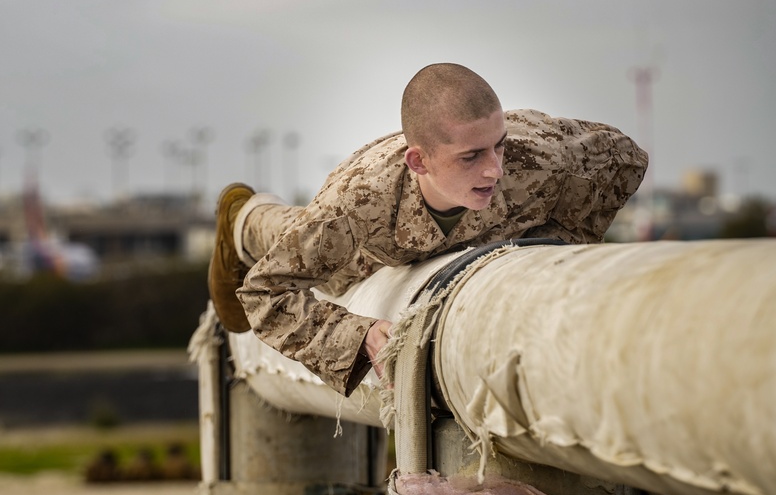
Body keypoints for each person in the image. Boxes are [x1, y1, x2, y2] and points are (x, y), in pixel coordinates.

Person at [208, 63, 648, 397]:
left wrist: (555, 251)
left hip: (465, 226)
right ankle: (243, 215)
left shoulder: (543, 157)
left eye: (499, 145)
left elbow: (627, 160)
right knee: (328, 264)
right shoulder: (356, 204)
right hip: (378, 238)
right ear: (419, 161)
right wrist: (357, 334)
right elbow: (264, 292)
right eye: (472, 156)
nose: (495, 170)